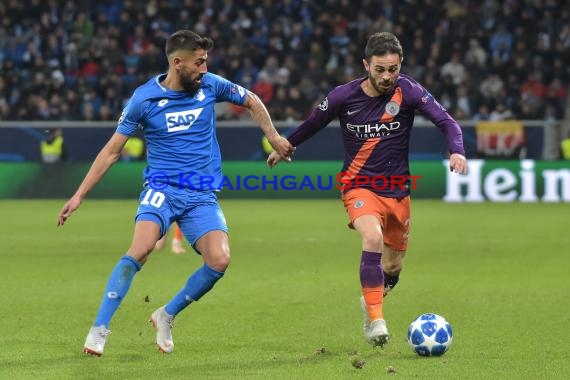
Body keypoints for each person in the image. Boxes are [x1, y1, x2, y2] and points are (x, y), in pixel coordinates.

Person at [57, 30, 294, 356]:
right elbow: (112, 151)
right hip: (162, 189)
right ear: (177, 62)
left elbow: (251, 99)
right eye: (198, 62)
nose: (204, 67)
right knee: (140, 249)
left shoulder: (210, 85)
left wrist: (275, 136)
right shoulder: (144, 99)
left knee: (220, 259)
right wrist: (79, 194)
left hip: (202, 195)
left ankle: (166, 314)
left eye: (206, 60)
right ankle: (100, 328)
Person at [267, 32, 467, 348]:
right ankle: (376, 319)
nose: (387, 76)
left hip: (398, 191)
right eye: (380, 69)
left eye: (393, 69)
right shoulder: (342, 97)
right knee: (371, 236)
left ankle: (371, 298)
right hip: (358, 185)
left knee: (393, 266)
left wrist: (457, 149)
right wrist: (286, 146)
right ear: (366, 65)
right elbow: (312, 124)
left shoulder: (410, 91)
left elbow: (447, 121)